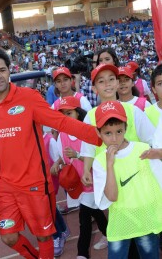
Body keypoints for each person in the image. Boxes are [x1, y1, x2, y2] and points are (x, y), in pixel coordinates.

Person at [0, 49, 102, 259]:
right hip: (4, 187)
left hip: (34, 183)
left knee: (43, 236)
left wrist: (99, 136)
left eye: (2, 70)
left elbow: (60, 122)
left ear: (9, 71)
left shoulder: (29, 97)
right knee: (8, 237)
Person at [80, 64, 155, 258]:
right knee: (120, 221)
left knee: (142, 234)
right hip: (110, 177)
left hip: (137, 182)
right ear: (94, 87)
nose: (107, 84)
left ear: (118, 82)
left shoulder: (133, 111)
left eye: (111, 79)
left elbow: (150, 142)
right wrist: (87, 169)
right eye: (101, 81)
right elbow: (88, 147)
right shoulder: (90, 116)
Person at [92, 101, 162, 258]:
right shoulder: (100, 161)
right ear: (98, 133)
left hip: (146, 220)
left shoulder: (143, 149)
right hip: (120, 223)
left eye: (119, 131)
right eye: (107, 133)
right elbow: (112, 196)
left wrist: (158, 154)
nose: (114, 138)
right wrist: (110, 165)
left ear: (126, 127)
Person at [52, 96, 107, 259]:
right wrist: (58, 163)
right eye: (62, 114)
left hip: (92, 180)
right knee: (94, 212)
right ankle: (109, 234)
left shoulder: (89, 130)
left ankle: (82, 253)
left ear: (78, 113)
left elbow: (97, 157)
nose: (65, 117)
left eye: (69, 113)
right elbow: (66, 158)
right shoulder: (61, 136)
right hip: (79, 182)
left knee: (84, 218)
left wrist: (77, 155)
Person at [43, 128, 69, 257]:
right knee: (50, 208)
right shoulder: (28, 140)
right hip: (36, 181)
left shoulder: (49, 140)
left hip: (49, 181)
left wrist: (55, 167)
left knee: (46, 210)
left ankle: (57, 236)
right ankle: (63, 229)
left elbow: (58, 159)